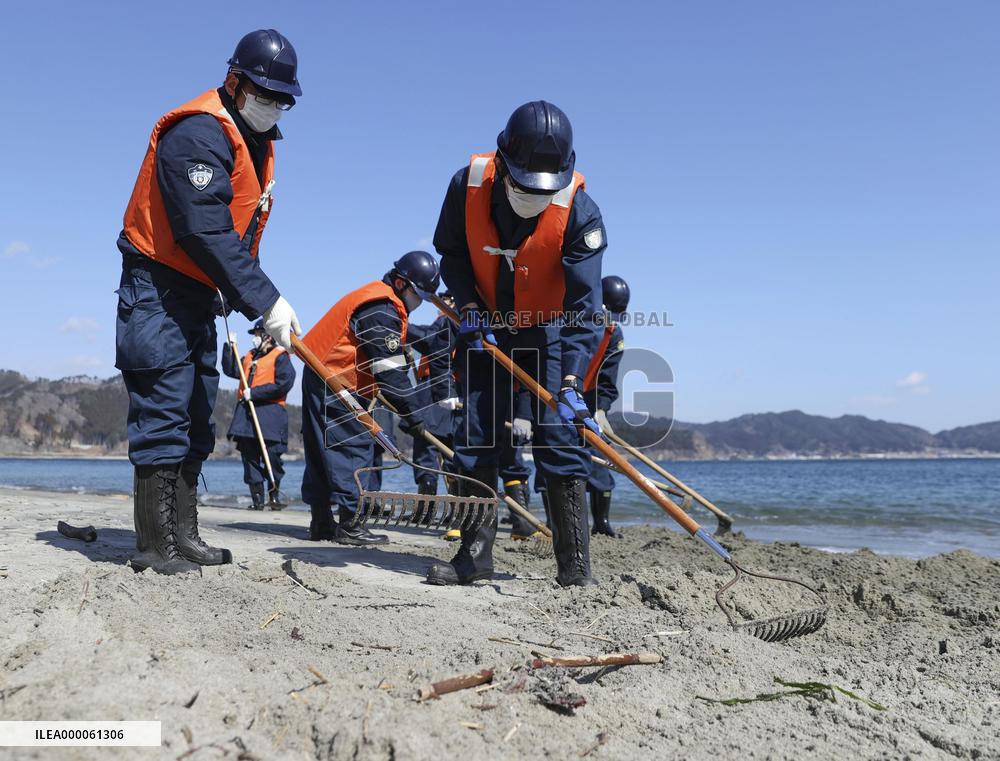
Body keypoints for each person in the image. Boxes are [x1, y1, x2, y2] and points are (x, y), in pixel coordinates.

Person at [114, 30, 303, 574]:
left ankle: (184, 532)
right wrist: (266, 300)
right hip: (158, 288)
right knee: (163, 412)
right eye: (265, 94)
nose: (273, 107)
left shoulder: (253, 140)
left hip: (201, 295)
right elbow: (202, 229)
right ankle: (155, 543)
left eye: (282, 100)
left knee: (197, 415)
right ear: (235, 80)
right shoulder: (198, 132)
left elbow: (233, 238)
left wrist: (254, 294)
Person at [427, 101, 607, 587]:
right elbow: (452, 252)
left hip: (544, 328)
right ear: (504, 163)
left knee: (559, 437)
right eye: (524, 186)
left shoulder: (581, 214)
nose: (534, 196)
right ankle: (475, 554)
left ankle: (574, 569)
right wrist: (467, 306)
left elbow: (585, 307)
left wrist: (572, 378)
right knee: (478, 435)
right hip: (482, 323)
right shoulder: (465, 185)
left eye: (543, 190)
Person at [299, 252, 438, 546]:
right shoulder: (381, 309)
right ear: (401, 283)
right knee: (353, 446)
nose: (420, 302)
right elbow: (391, 373)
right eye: (418, 294)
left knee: (322, 451)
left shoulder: (378, 300)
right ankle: (351, 525)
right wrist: (415, 417)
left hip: (320, 371)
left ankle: (321, 523)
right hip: (336, 377)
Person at [221, 321, 296, 509]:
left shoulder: (281, 357)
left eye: (257, 333)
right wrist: (229, 348)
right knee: (250, 458)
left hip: (270, 414)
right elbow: (232, 370)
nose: (254, 338)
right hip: (246, 416)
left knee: (272, 457)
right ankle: (257, 500)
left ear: (268, 336)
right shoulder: (249, 356)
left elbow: (284, 383)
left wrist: (255, 393)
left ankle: (274, 496)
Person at [584, 276, 629, 536]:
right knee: (559, 460)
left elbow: (608, 377)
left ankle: (601, 524)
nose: (611, 319)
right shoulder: (571, 318)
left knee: (600, 458)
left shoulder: (614, 335)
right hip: (557, 395)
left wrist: (600, 408)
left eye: (618, 315)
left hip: (590, 397)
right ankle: (555, 521)